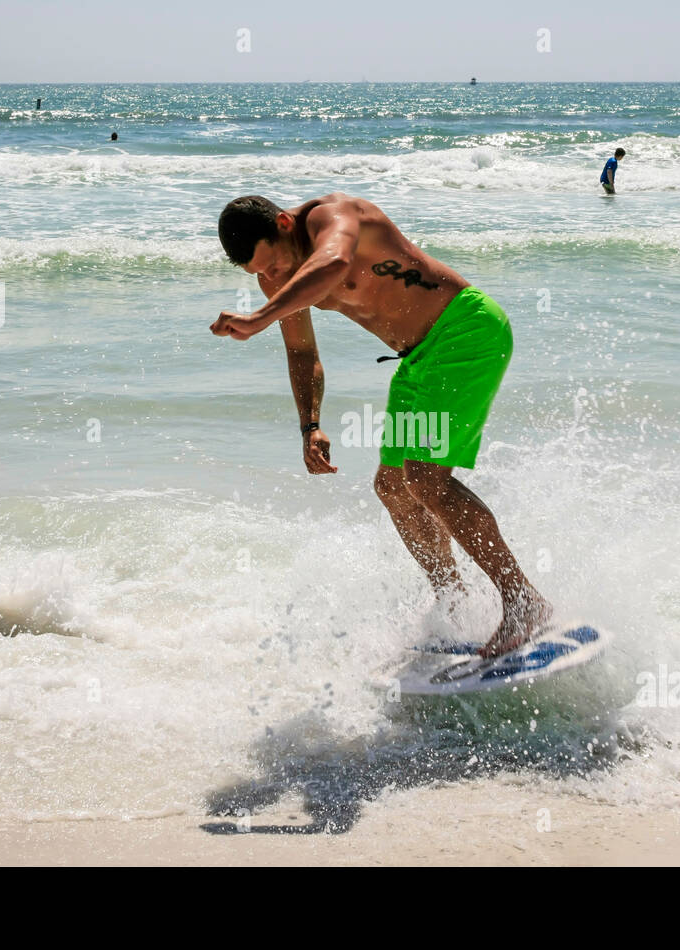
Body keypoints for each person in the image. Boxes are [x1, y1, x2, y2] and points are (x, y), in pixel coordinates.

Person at [212, 193, 553, 657]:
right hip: (418, 360)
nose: (271, 279)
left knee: (425, 477)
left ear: (286, 224)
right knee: (393, 485)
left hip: (464, 331)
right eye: (261, 276)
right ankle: (453, 603)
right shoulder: (280, 284)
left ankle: (522, 601)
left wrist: (258, 318)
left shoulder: (336, 217)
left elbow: (333, 263)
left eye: (272, 264)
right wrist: (310, 425)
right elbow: (301, 352)